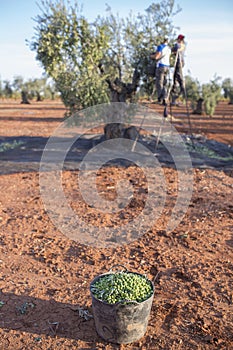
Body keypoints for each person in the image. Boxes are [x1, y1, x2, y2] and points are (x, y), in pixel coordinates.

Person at [151, 37, 171, 105]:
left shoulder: (160, 47)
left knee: (159, 83)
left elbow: (157, 56)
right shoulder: (169, 48)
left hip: (161, 66)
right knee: (164, 83)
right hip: (167, 67)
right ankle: (165, 97)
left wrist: (151, 56)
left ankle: (161, 98)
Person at [171, 34, 186, 105]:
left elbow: (175, 50)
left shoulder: (180, 45)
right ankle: (174, 98)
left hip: (179, 62)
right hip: (178, 62)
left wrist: (175, 50)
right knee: (175, 79)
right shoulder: (180, 45)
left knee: (179, 78)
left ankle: (182, 92)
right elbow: (173, 51)